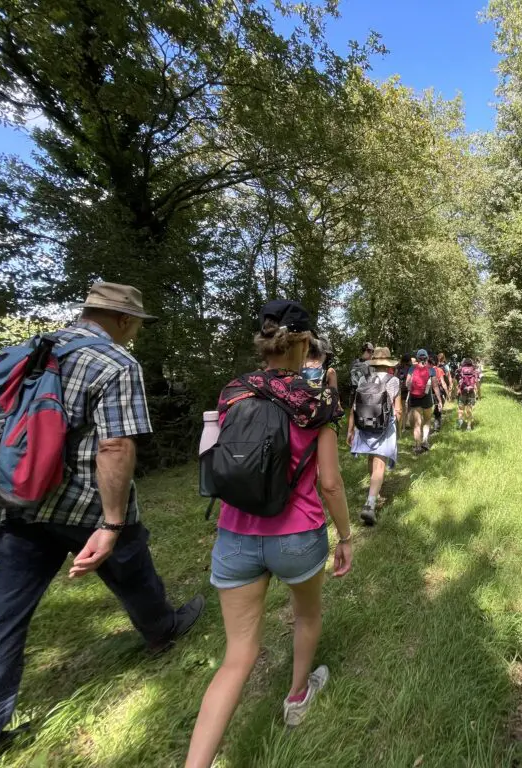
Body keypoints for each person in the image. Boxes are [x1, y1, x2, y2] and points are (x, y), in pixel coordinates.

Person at [0, 282, 205, 768]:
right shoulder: (115, 363)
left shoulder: (27, 352)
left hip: (20, 503)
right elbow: (115, 446)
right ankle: (162, 630)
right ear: (124, 321)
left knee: (0, 624)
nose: (136, 334)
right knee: (134, 571)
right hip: (86, 506)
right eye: (137, 325)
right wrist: (111, 522)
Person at [186, 299, 352, 768]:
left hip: (235, 536)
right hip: (297, 535)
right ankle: (297, 697)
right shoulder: (317, 400)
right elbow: (331, 482)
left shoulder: (233, 392)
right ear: (302, 343)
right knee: (305, 617)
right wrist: (346, 537)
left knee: (236, 657)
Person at [346, 346, 401, 525]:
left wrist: (350, 429)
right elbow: (398, 410)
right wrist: (398, 428)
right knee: (380, 465)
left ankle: (373, 490)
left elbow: (355, 406)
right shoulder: (393, 381)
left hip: (364, 424)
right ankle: (370, 504)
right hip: (384, 426)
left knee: (371, 459)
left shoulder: (364, 378)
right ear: (387, 363)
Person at [405, 349, 437, 454]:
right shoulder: (431, 369)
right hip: (427, 397)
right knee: (427, 420)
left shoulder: (412, 368)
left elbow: (407, 383)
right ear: (427, 358)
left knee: (417, 424)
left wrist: (412, 388)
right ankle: (425, 441)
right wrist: (439, 400)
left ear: (417, 358)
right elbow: (435, 385)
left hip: (414, 397)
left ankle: (417, 446)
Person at [457, 358, 480, 431]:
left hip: (463, 392)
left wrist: (457, 390)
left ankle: (460, 420)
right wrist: (478, 393)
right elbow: (477, 382)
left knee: (461, 408)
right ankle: (469, 426)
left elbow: (458, 381)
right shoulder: (474, 370)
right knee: (469, 409)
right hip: (471, 392)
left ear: (463, 363)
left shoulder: (460, 370)